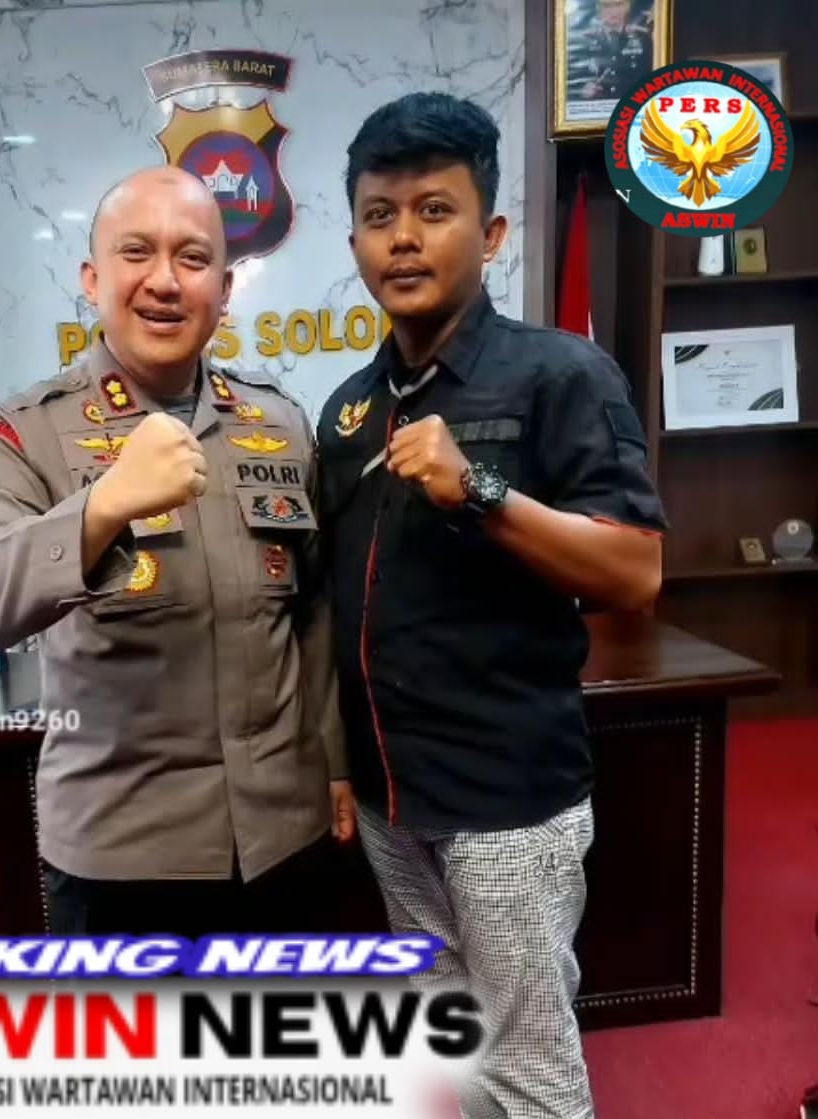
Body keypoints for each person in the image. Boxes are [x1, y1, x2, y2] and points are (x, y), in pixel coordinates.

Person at [317, 92, 667, 1119]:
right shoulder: (348, 408)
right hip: (392, 798)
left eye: (434, 210)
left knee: (525, 1067)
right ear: (354, 240)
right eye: (379, 216)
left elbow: (633, 572)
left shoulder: (559, 374)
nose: (404, 238)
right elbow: (342, 601)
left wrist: (475, 487)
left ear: (492, 232)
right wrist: (339, 763)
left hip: (508, 802)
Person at [0, 165, 354, 936]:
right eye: (136, 252)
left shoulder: (278, 421)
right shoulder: (25, 431)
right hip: (121, 859)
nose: (164, 280)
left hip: (282, 842)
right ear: (92, 278)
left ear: (223, 290)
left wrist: (333, 763)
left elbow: (312, 611)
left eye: (192, 258)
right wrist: (100, 509)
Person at [576, 0, 653, 101]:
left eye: (619, 5)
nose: (613, 11)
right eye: (606, 6)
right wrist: (582, 90)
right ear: (598, 9)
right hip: (595, 106)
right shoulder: (584, 41)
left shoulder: (643, 38)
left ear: (628, 7)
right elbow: (573, 81)